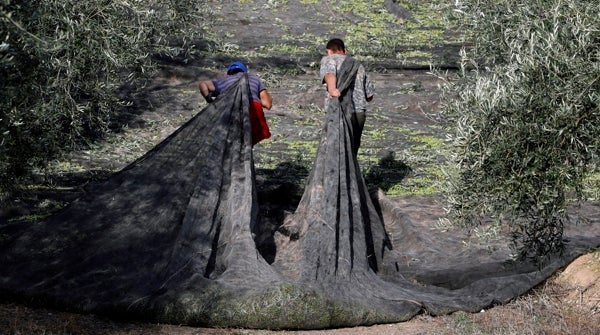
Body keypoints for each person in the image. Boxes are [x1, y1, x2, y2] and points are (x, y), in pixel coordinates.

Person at [319, 38, 374, 156]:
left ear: (328, 50)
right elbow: (369, 96)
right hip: (358, 112)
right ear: (344, 51)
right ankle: (351, 174)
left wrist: (333, 89)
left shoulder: (328, 59)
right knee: (352, 151)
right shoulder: (358, 65)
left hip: (339, 111)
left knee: (335, 150)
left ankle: (337, 174)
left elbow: (329, 74)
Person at [198, 61, 273, 145]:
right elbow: (267, 104)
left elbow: (203, 84)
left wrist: (209, 100)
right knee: (249, 141)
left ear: (229, 73)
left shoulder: (224, 81)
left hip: (231, 111)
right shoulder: (253, 78)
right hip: (253, 110)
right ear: (244, 71)